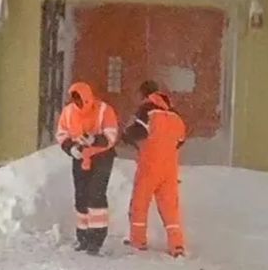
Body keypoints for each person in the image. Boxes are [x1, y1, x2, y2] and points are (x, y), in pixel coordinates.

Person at [121, 80, 188, 257]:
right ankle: (177, 245)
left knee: (140, 204)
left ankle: (138, 240)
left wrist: (126, 136)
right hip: (170, 168)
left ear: (144, 94)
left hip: (149, 165)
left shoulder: (146, 111)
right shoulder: (175, 115)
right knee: (170, 208)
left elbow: (139, 132)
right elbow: (181, 140)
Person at [55, 82, 120, 255]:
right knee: (81, 195)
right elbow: (62, 134)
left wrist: (94, 140)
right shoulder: (68, 112)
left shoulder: (104, 110)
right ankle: (83, 237)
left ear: (86, 97)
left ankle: (96, 240)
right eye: (73, 99)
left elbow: (111, 135)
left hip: (102, 157)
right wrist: (71, 148)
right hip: (80, 157)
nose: (76, 102)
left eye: (79, 99)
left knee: (96, 195)